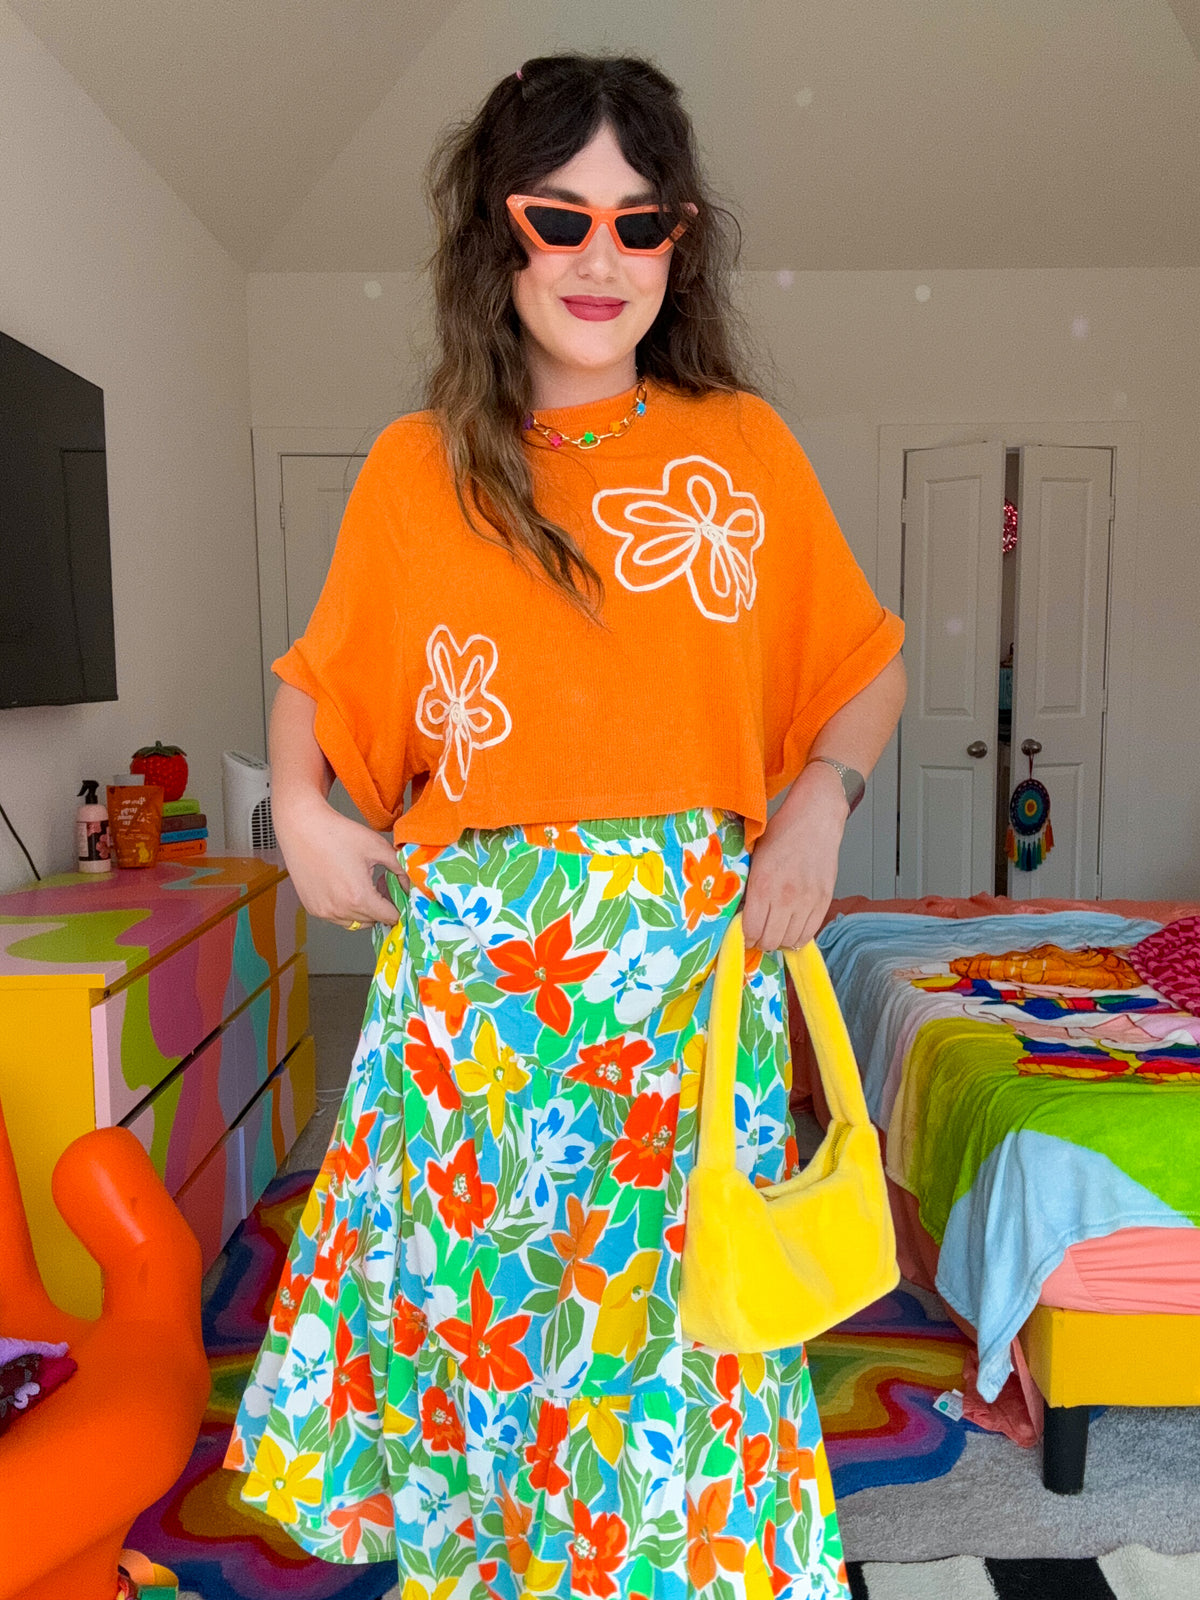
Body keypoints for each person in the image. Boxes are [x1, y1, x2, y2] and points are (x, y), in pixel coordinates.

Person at [225, 52, 906, 1600]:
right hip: (479, 1008)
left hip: (688, 991)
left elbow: (863, 667)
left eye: (641, 221)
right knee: (493, 1347)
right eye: (560, 216)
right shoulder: (418, 471)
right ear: (498, 230)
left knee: (679, 1356)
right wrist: (301, 813)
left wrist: (822, 801)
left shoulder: (740, 450)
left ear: (679, 243)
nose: (603, 257)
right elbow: (318, 681)